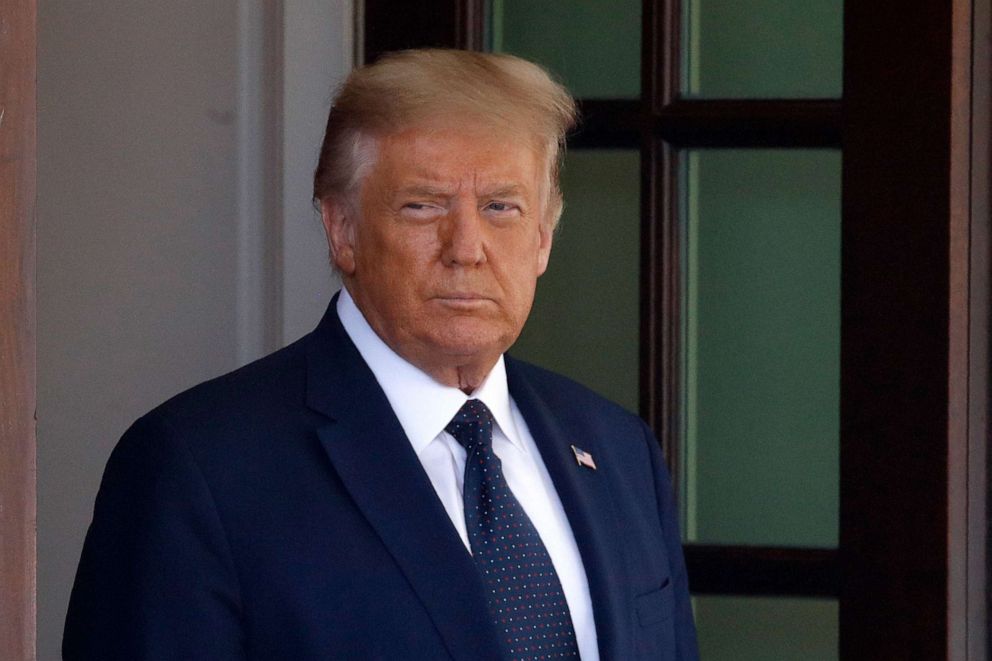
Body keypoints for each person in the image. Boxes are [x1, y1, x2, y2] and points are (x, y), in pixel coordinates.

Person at [63, 49, 698, 660]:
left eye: (501, 207)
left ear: (542, 240)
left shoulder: (618, 451)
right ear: (342, 230)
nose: (467, 247)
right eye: (423, 206)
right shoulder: (197, 469)